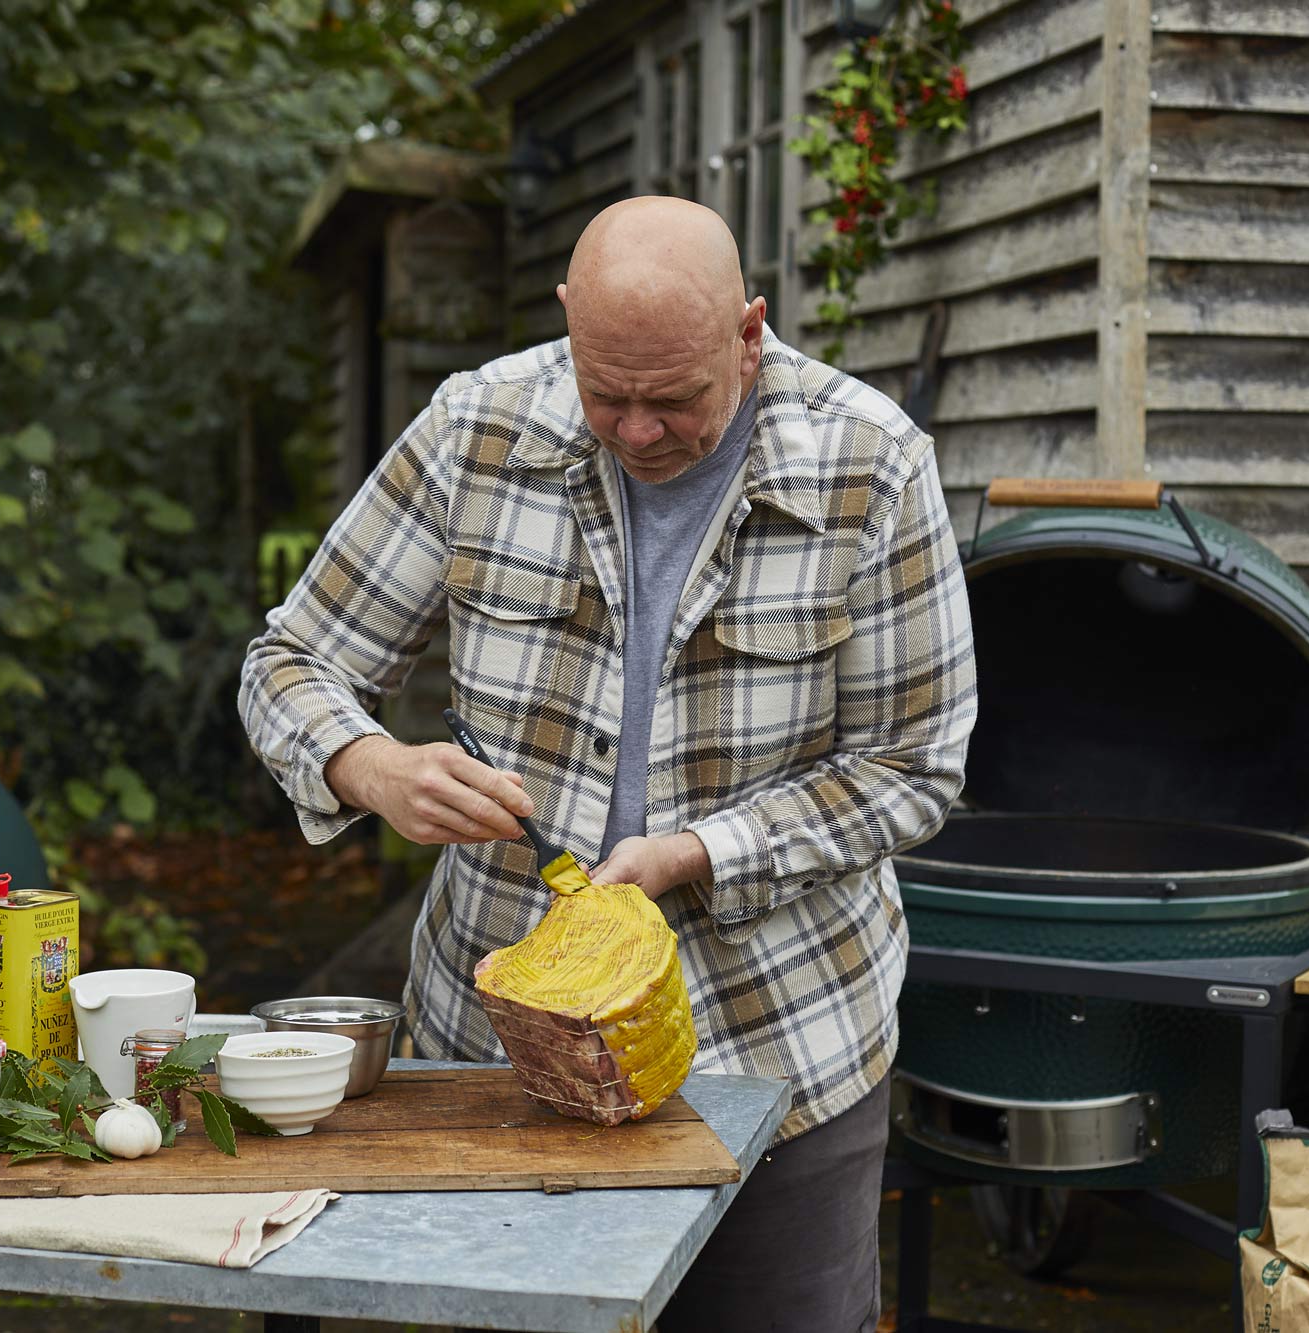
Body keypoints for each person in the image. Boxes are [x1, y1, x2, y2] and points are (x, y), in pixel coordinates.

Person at [239, 196, 977, 1332]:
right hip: (496, 1061)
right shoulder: (476, 428)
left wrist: (699, 852)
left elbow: (911, 766)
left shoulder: (868, 465)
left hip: (776, 1047)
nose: (636, 431)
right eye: (605, 393)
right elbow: (290, 661)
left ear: (747, 333)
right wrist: (367, 764)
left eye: (674, 398)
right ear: (565, 320)